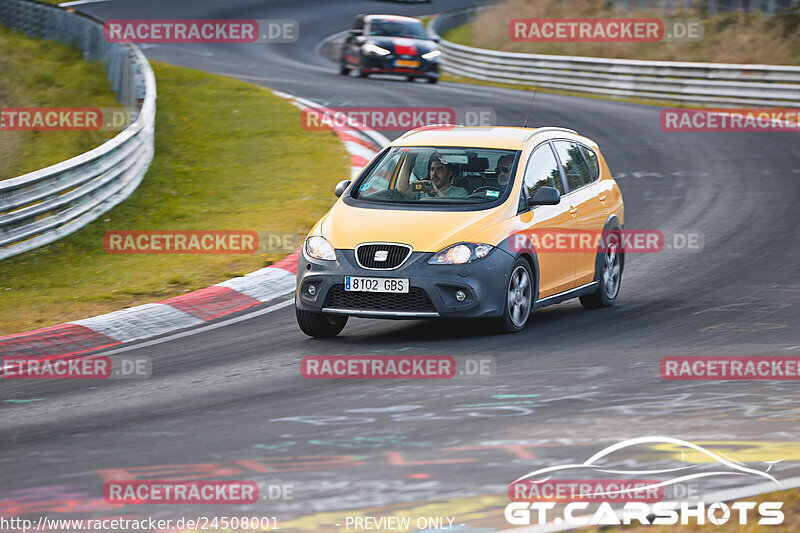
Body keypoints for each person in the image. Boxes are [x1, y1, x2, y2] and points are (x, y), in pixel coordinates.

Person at [397, 152, 468, 199]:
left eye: (439, 169)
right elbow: (403, 189)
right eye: (432, 169)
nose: (434, 173)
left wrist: (436, 191)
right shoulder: (424, 187)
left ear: (450, 173)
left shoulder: (459, 192)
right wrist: (409, 158)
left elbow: (454, 208)